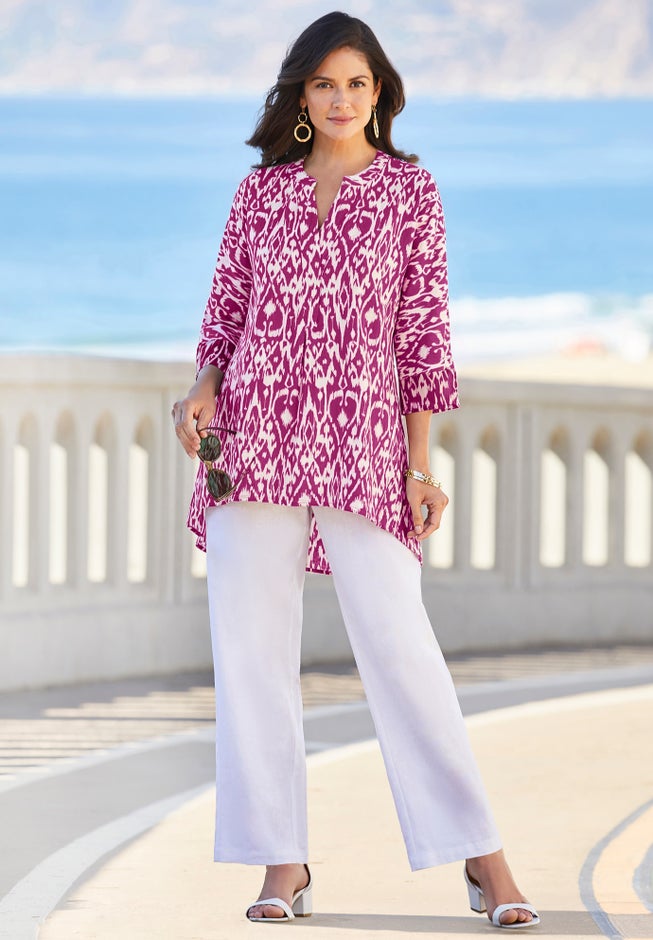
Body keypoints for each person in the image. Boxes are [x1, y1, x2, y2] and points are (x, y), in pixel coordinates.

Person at [172, 10, 540, 930]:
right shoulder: (261, 193)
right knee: (251, 656)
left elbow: (421, 334)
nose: (341, 99)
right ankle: (281, 864)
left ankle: (483, 858)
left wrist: (419, 465)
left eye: (357, 84)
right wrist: (201, 390)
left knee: (402, 650)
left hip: (363, 445)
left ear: (380, 95)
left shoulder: (410, 192)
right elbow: (226, 310)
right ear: (301, 95)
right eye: (325, 84)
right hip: (252, 438)